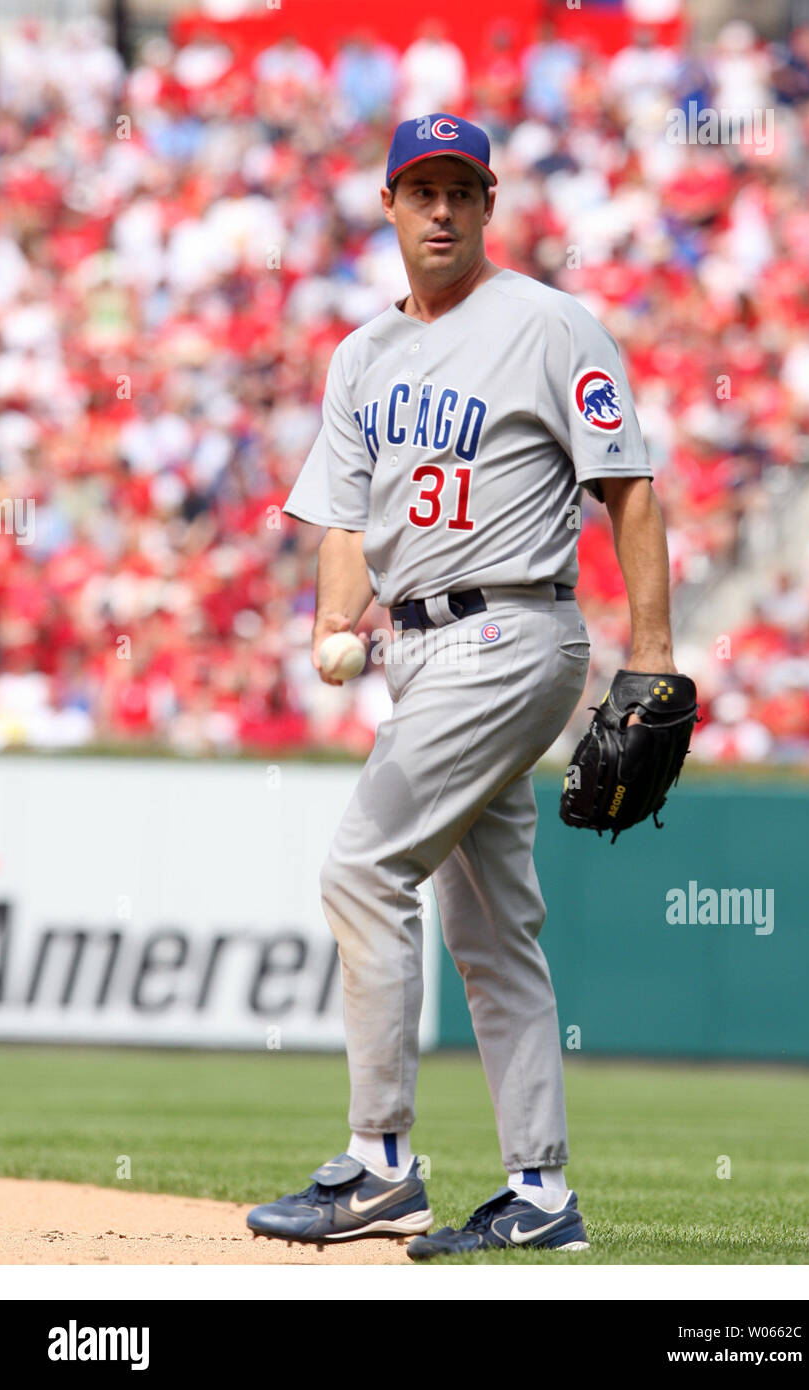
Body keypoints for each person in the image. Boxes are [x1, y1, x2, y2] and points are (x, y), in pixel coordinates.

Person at [247, 113, 676, 1257]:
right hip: (415, 649)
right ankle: (540, 1193)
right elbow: (343, 514)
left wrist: (655, 654)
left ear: (488, 207)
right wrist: (338, 618)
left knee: (361, 865)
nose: (440, 209)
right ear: (386, 206)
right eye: (419, 189)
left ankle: (379, 1161)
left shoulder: (549, 322)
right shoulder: (358, 356)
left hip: (512, 630)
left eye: (460, 190)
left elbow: (627, 486)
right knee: (489, 930)